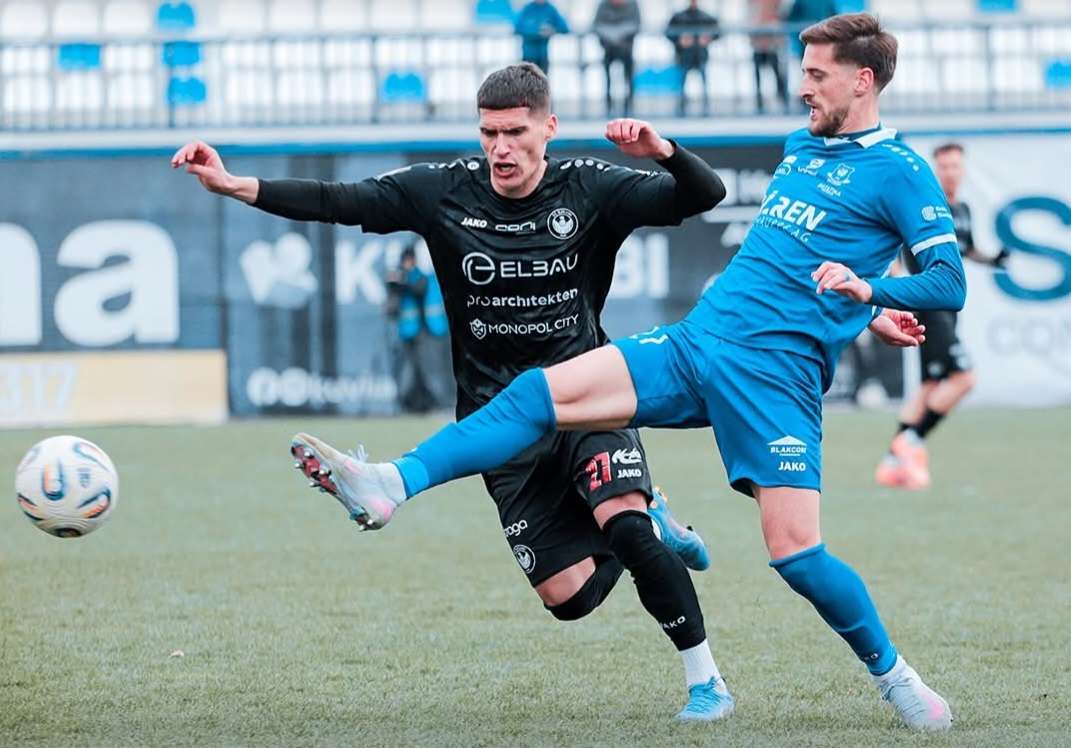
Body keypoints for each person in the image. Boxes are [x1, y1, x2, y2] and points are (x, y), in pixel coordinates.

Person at [288, 14, 963, 731]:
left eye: (816, 74)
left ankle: (896, 678)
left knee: (795, 555)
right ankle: (390, 483)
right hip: (698, 343)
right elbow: (797, 262)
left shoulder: (901, 171)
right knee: (537, 393)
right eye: (803, 72)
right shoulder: (803, 147)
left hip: (774, 380)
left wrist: (871, 294)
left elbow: (947, 282)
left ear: (862, 81)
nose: (802, 87)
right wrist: (859, 309)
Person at [173, 63, 734, 722]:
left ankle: (707, 683)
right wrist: (234, 184)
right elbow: (338, 200)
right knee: (567, 598)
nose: (500, 147)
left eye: (515, 132)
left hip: (588, 395)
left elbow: (704, 194)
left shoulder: (589, 187)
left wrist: (663, 151)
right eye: (489, 133)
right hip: (496, 422)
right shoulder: (443, 191)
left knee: (626, 525)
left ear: (548, 128)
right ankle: (652, 524)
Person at [875, 142, 1008, 490]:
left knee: (930, 386)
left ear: (963, 170)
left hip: (948, 310)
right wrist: (897, 284)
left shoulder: (962, 210)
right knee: (964, 378)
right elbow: (892, 246)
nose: (950, 172)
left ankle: (891, 463)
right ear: (936, 170)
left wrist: (993, 260)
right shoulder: (924, 207)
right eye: (944, 166)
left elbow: (967, 249)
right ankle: (911, 441)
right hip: (928, 305)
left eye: (955, 166)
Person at [384, 245, 435, 414]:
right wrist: (394, 282)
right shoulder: (399, 277)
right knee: (403, 369)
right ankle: (404, 403)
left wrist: (403, 281)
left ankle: (424, 403)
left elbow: (419, 289)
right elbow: (391, 302)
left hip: (418, 331)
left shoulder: (418, 276)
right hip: (401, 331)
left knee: (420, 369)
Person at [665, 0, 721, 116]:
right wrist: (680, 40)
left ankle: (705, 104)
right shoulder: (679, 17)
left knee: (704, 81)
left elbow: (718, 32)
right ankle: (681, 103)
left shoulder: (705, 16)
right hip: (684, 56)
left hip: (700, 55)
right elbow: (668, 32)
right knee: (682, 81)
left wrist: (708, 38)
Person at [592, 0, 641, 116]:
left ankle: (629, 106)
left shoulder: (632, 5)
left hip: (626, 50)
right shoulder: (603, 5)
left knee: (629, 78)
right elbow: (596, 25)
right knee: (608, 79)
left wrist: (618, 34)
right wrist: (613, 36)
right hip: (609, 49)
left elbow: (636, 25)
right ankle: (608, 106)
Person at [749, 0, 789, 113]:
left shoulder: (775, 4)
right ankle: (759, 100)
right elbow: (751, 23)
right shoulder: (754, 6)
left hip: (772, 46)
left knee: (777, 72)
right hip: (758, 45)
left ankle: (782, 98)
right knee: (758, 74)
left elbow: (780, 19)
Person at [514, 0, 570, 75]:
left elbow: (565, 28)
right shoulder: (527, 9)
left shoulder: (550, 9)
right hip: (528, 57)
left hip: (543, 58)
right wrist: (538, 32)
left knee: (542, 80)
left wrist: (553, 30)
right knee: (525, 80)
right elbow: (517, 28)